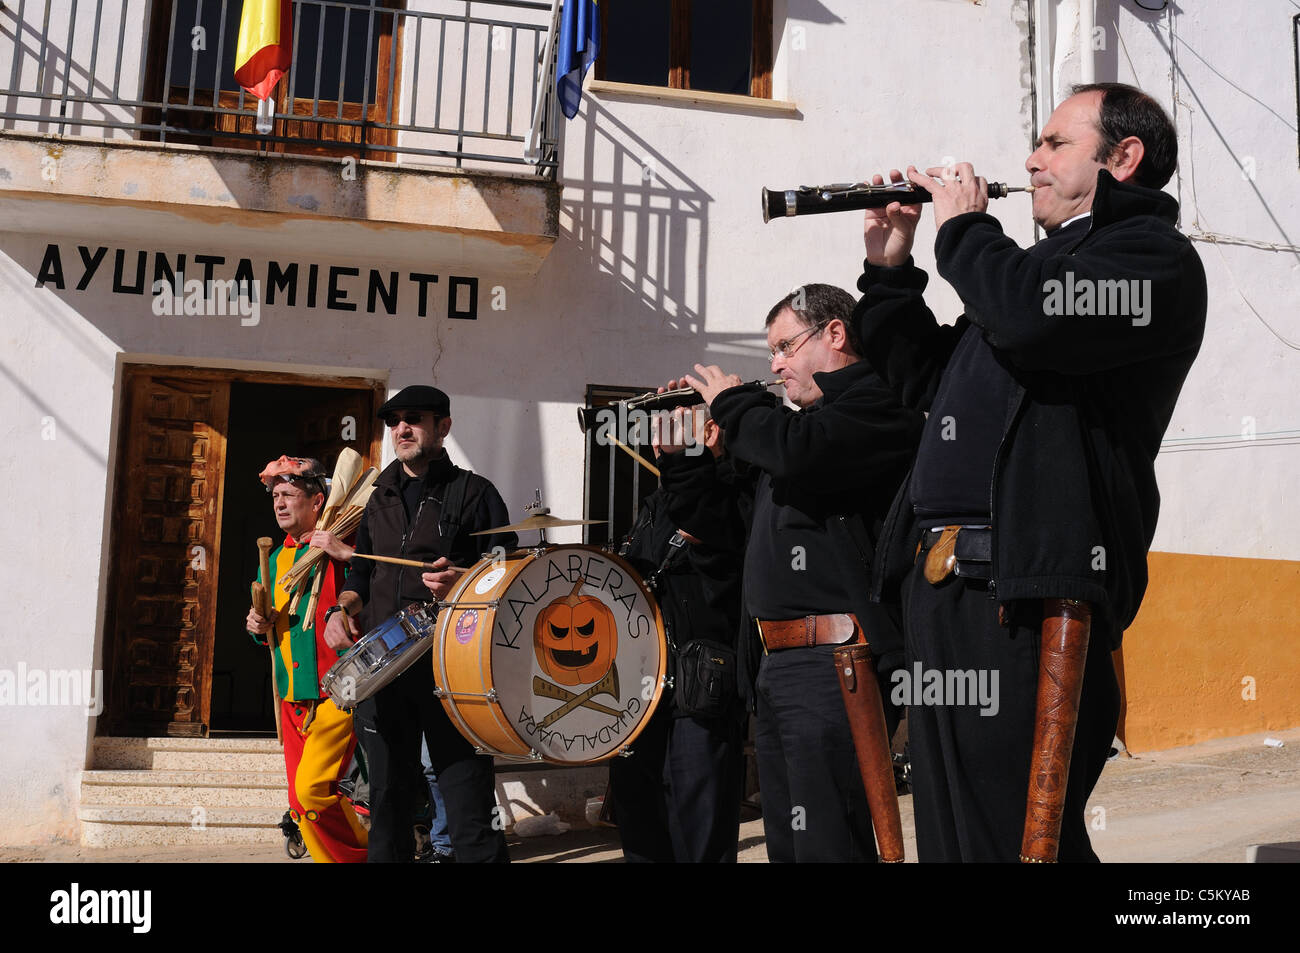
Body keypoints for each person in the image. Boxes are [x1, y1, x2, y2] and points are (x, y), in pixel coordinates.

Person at [853, 83, 1207, 862]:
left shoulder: (1153, 259)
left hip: (1027, 593)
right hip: (945, 589)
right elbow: (928, 377)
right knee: (954, 837)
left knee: (1018, 839)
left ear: (1123, 157)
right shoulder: (1022, 275)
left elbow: (1033, 314)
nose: (1030, 160)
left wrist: (968, 228)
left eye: (1053, 144)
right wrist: (889, 271)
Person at [660, 284, 924, 862]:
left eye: (785, 346)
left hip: (838, 661)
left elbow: (800, 451)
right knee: (791, 845)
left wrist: (734, 405)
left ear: (835, 334)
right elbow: (727, 532)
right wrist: (686, 462)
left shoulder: (872, 404)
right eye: (771, 354)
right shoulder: (790, 433)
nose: (775, 365)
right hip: (777, 666)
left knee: (830, 842)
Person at [323, 385, 517, 863]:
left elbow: (508, 569)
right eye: (393, 422)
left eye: (413, 419)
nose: (400, 429)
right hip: (384, 668)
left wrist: (463, 581)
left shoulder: (476, 493)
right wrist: (342, 608)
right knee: (386, 802)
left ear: (443, 426)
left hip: (453, 667)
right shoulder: (378, 497)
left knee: (468, 799)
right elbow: (362, 572)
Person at [608, 407, 746, 863]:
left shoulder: (731, 492)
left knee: (698, 831)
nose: (663, 443)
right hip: (640, 693)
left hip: (697, 685)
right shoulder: (653, 506)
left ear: (712, 434)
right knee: (641, 825)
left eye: (680, 432)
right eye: (661, 435)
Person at [246, 455, 368, 864]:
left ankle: (364, 855)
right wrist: (256, 624)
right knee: (300, 806)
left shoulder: (342, 549)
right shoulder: (275, 560)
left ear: (318, 502)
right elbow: (270, 634)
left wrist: (343, 552)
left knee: (312, 789)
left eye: (289, 495)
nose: (279, 503)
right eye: (275, 496)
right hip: (292, 696)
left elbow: (375, 592)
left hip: (339, 689)